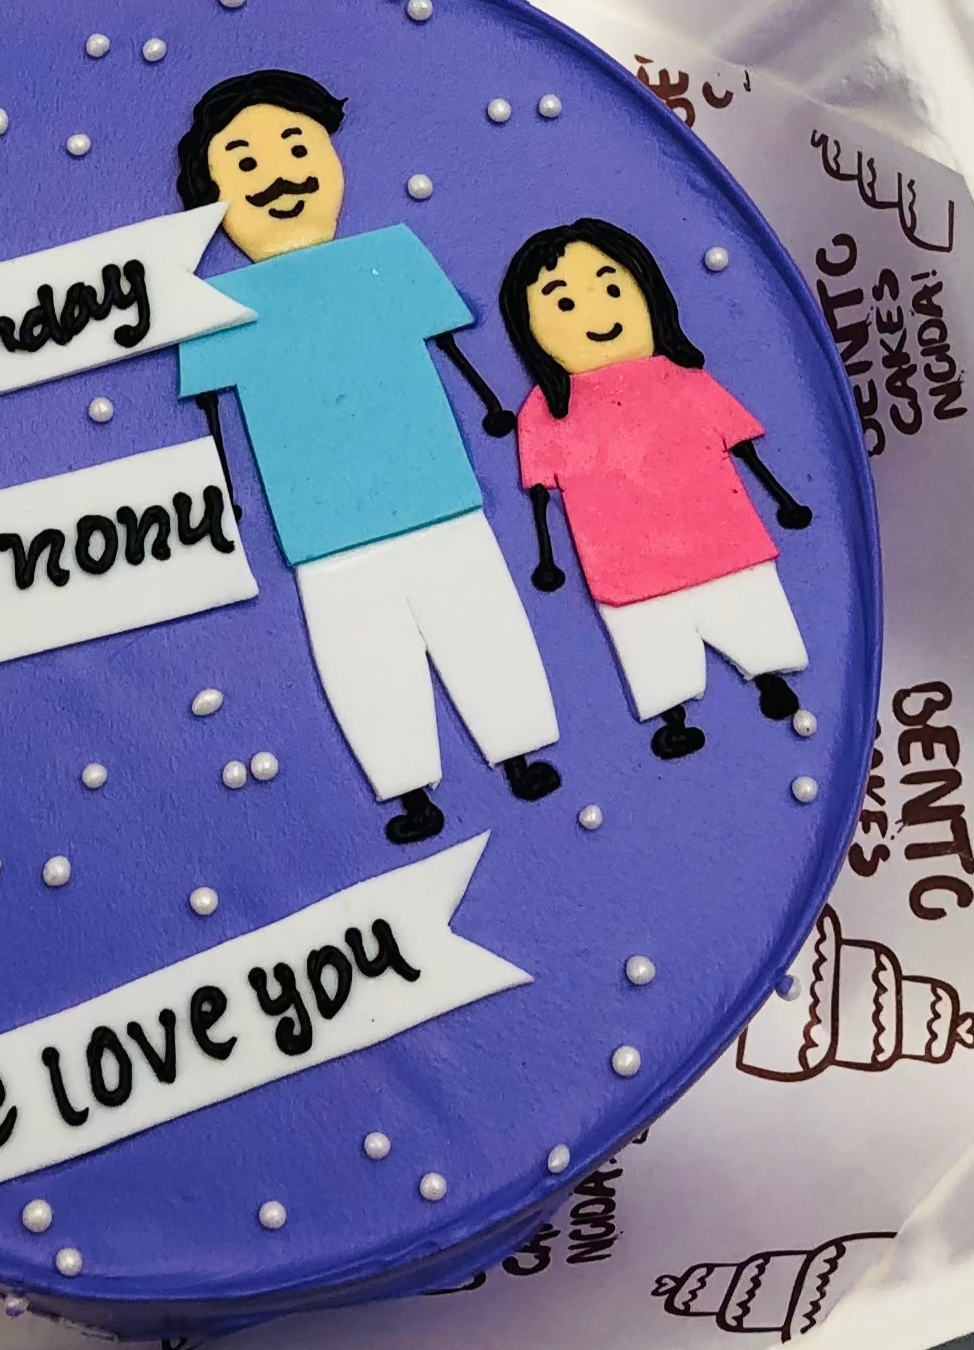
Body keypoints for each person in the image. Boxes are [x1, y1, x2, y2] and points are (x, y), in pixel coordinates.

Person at [175, 70, 560, 844]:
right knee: (363, 655)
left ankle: (519, 750)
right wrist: (219, 484)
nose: (279, 172)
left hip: (436, 489)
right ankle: (410, 789)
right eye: (243, 163)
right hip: (317, 522)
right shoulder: (216, 309)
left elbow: (450, 347)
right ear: (209, 193)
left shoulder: (388, 256)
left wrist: (491, 404)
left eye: (296, 144)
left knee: (477, 618)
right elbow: (213, 410)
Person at [500, 219, 815, 758]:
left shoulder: (683, 378)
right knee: (654, 646)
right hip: (624, 563)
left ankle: (772, 678)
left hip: (723, 537)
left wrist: (782, 499)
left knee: (751, 618)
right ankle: (674, 718)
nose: (598, 315)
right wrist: (547, 557)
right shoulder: (550, 412)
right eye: (565, 306)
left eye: (613, 289)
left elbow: (742, 446)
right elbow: (539, 494)